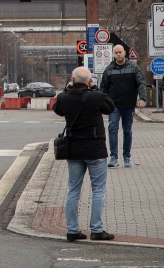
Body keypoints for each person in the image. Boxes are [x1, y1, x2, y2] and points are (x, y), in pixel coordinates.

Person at [53, 67, 116, 242]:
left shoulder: (64, 97)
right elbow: (110, 107)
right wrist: (94, 88)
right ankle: (96, 229)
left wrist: (68, 88)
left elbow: (57, 109)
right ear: (90, 81)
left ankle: (72, 230)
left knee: (73, 190)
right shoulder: (97, 96)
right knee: (98, 190)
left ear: (72, 79)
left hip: (74, 151)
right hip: (95, 150)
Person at [99, 45, 146, 168]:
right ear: (113, 54)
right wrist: (102, 104)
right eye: (116, 52)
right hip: (113, 105)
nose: (118, 54)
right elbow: (103, 88)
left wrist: (142, 98)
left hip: (129, 105)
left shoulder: (133, 67)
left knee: (127, 131)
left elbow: (141, 82)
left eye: (120, 52)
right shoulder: (109, 69)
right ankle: (113, 156)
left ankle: (126, 157)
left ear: (124, 53)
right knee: (112, 129)